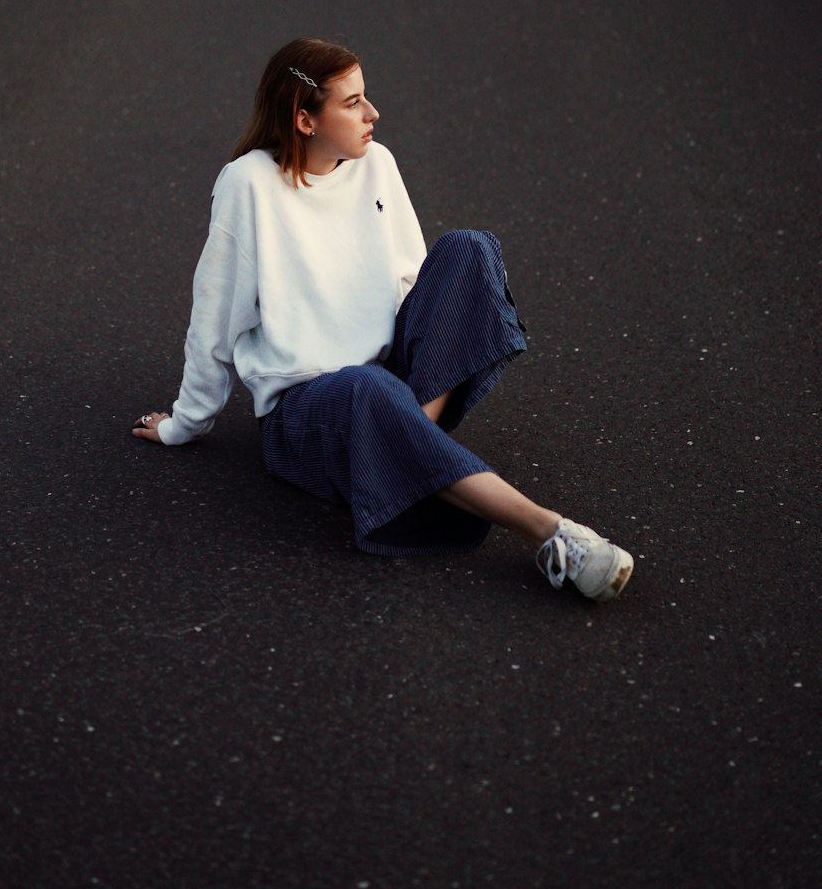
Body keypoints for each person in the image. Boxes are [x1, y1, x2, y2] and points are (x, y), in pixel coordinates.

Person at [133, 37, 633, 601]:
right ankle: (549, 532)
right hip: (307, 413)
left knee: (469, 249)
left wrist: (423, 361)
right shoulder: (247, 184)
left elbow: (413, 284)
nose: (373, 114)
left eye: (366, 97)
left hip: (390, 387)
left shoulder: (378, 164)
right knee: (365, 388)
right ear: (304, 119)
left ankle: (399, 444)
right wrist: (186, 423)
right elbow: (213, 317)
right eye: (352, 103)